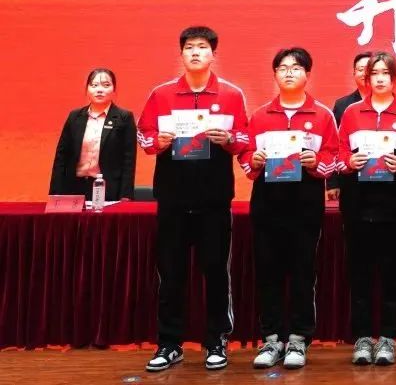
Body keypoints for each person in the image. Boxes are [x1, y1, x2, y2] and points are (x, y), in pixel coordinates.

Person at [137, 26, 249, 372]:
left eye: (202, 47)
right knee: (171, 274)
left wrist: (228, 138)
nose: (195, 52)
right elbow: (144, 135)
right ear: (181, 54)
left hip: (214, 200)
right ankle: (169, 344)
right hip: (172, 198)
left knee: (215, 272)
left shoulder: (231, 94)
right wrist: (158, 142)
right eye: (189, 47)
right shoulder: (161, 94)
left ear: (213, 54)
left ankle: (216, 341)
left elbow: (245, 139)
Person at [239, 47, 339, 370]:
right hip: (267, 203)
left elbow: (334, 157)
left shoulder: (322, 115)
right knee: (268, 272)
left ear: (307, 74)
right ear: (275, 75)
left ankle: (298, 338)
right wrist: (253, 160)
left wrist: (316, 162)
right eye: (283, 68)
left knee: (302, 272)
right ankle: (271, 339)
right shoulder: (260, 116)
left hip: (305, 204)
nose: (289, 73)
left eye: (296, 68)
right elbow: (245, 158)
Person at [337, 51, 396, 366]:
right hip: (357, 204)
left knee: (390, 273)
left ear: (394, 78)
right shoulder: (350, 113)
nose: (380, 78)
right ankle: (362, 338)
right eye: (375, 73)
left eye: (386, 73)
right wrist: (350, 161)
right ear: (367, 78)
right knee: (358, 272)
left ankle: (388, 337)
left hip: (393, 204)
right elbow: (338, 154)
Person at [50, 68, 136, 201]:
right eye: (94, 85)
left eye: (106, 85)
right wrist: (55, 192)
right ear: (87, 89)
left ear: (114, 89)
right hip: (74, 187)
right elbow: (61, 157)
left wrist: (126, 195)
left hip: (107, 188)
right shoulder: (75, 117)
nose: (99, 90)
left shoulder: (124, 118)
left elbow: (128, 161)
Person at [327, 52, 372, 201]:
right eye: (360, 69)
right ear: (354, 74)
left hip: (385, 178)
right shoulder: (342, 105)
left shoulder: (392, 106)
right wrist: (332, 183)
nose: (364, 73)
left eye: (369, 69)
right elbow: (333, 145)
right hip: (350, 178)